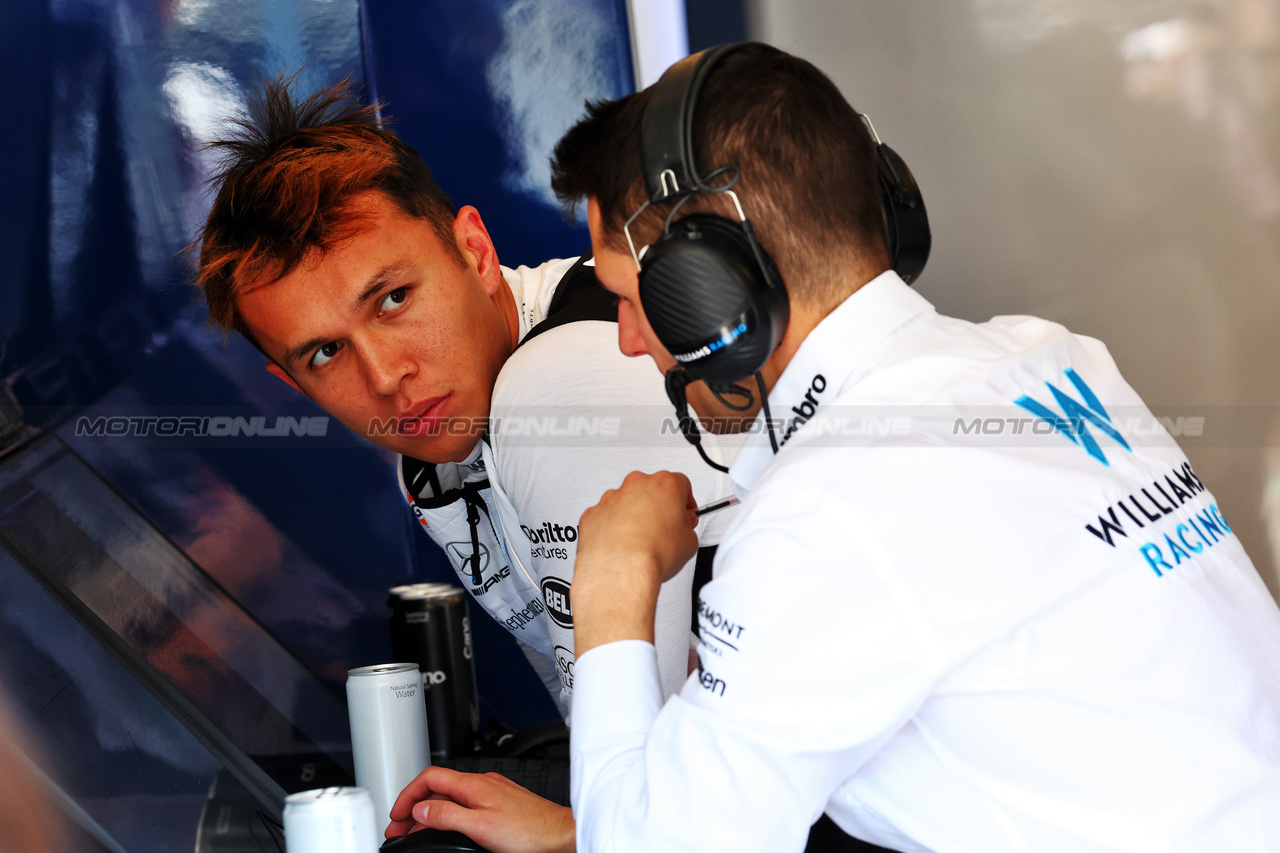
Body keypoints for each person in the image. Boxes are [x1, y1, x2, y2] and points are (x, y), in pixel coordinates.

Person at [535, 42, 1279, 852]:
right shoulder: (1049, 356)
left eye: (633, 298)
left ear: (713, 280)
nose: (630, 343)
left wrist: (611, 588)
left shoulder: (828, 510)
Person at [195, 77, 744, 841]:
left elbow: (674, 799)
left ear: (477, 252)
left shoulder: (553, 391)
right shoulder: (436, 436)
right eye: (326, 353)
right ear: (292, 384)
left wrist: (565, 832)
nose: (385, 375)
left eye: (392, 298)